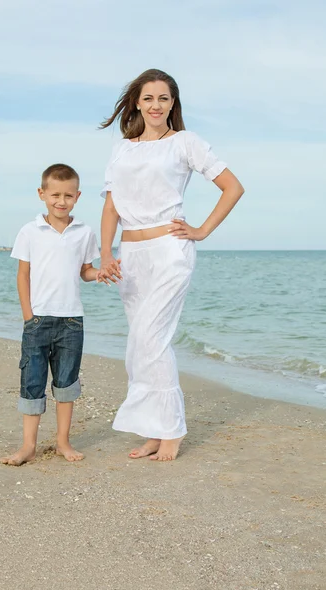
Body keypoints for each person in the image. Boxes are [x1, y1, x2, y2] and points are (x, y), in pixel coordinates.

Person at [98, 68, 244, 461]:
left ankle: (172, 430)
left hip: (168, 251)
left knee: (151, 339)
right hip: (131, 256)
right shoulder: (122, 149)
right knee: (138, 345)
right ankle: (152, 429)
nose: (156, 105)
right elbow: (111, 204)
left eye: (164, 98)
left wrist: (202, 230)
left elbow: (233, 187)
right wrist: (106, 253)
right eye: (148, 98)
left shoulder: (185, 143)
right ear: (137, 103)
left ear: (173, 103)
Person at [1, 164, 101, 466]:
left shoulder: (84, 232)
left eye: (68, 195)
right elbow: (23, 275)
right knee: (32, 382)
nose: (62, 201)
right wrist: (28, 315)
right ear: (42, 194)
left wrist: (102, 272)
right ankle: (28, 446)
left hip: (71, 321)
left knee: (66, 384)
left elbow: (85, 272)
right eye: (55, 194)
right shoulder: (30, 231)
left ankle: (62, 442)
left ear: (77, 196)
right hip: (38, 320)